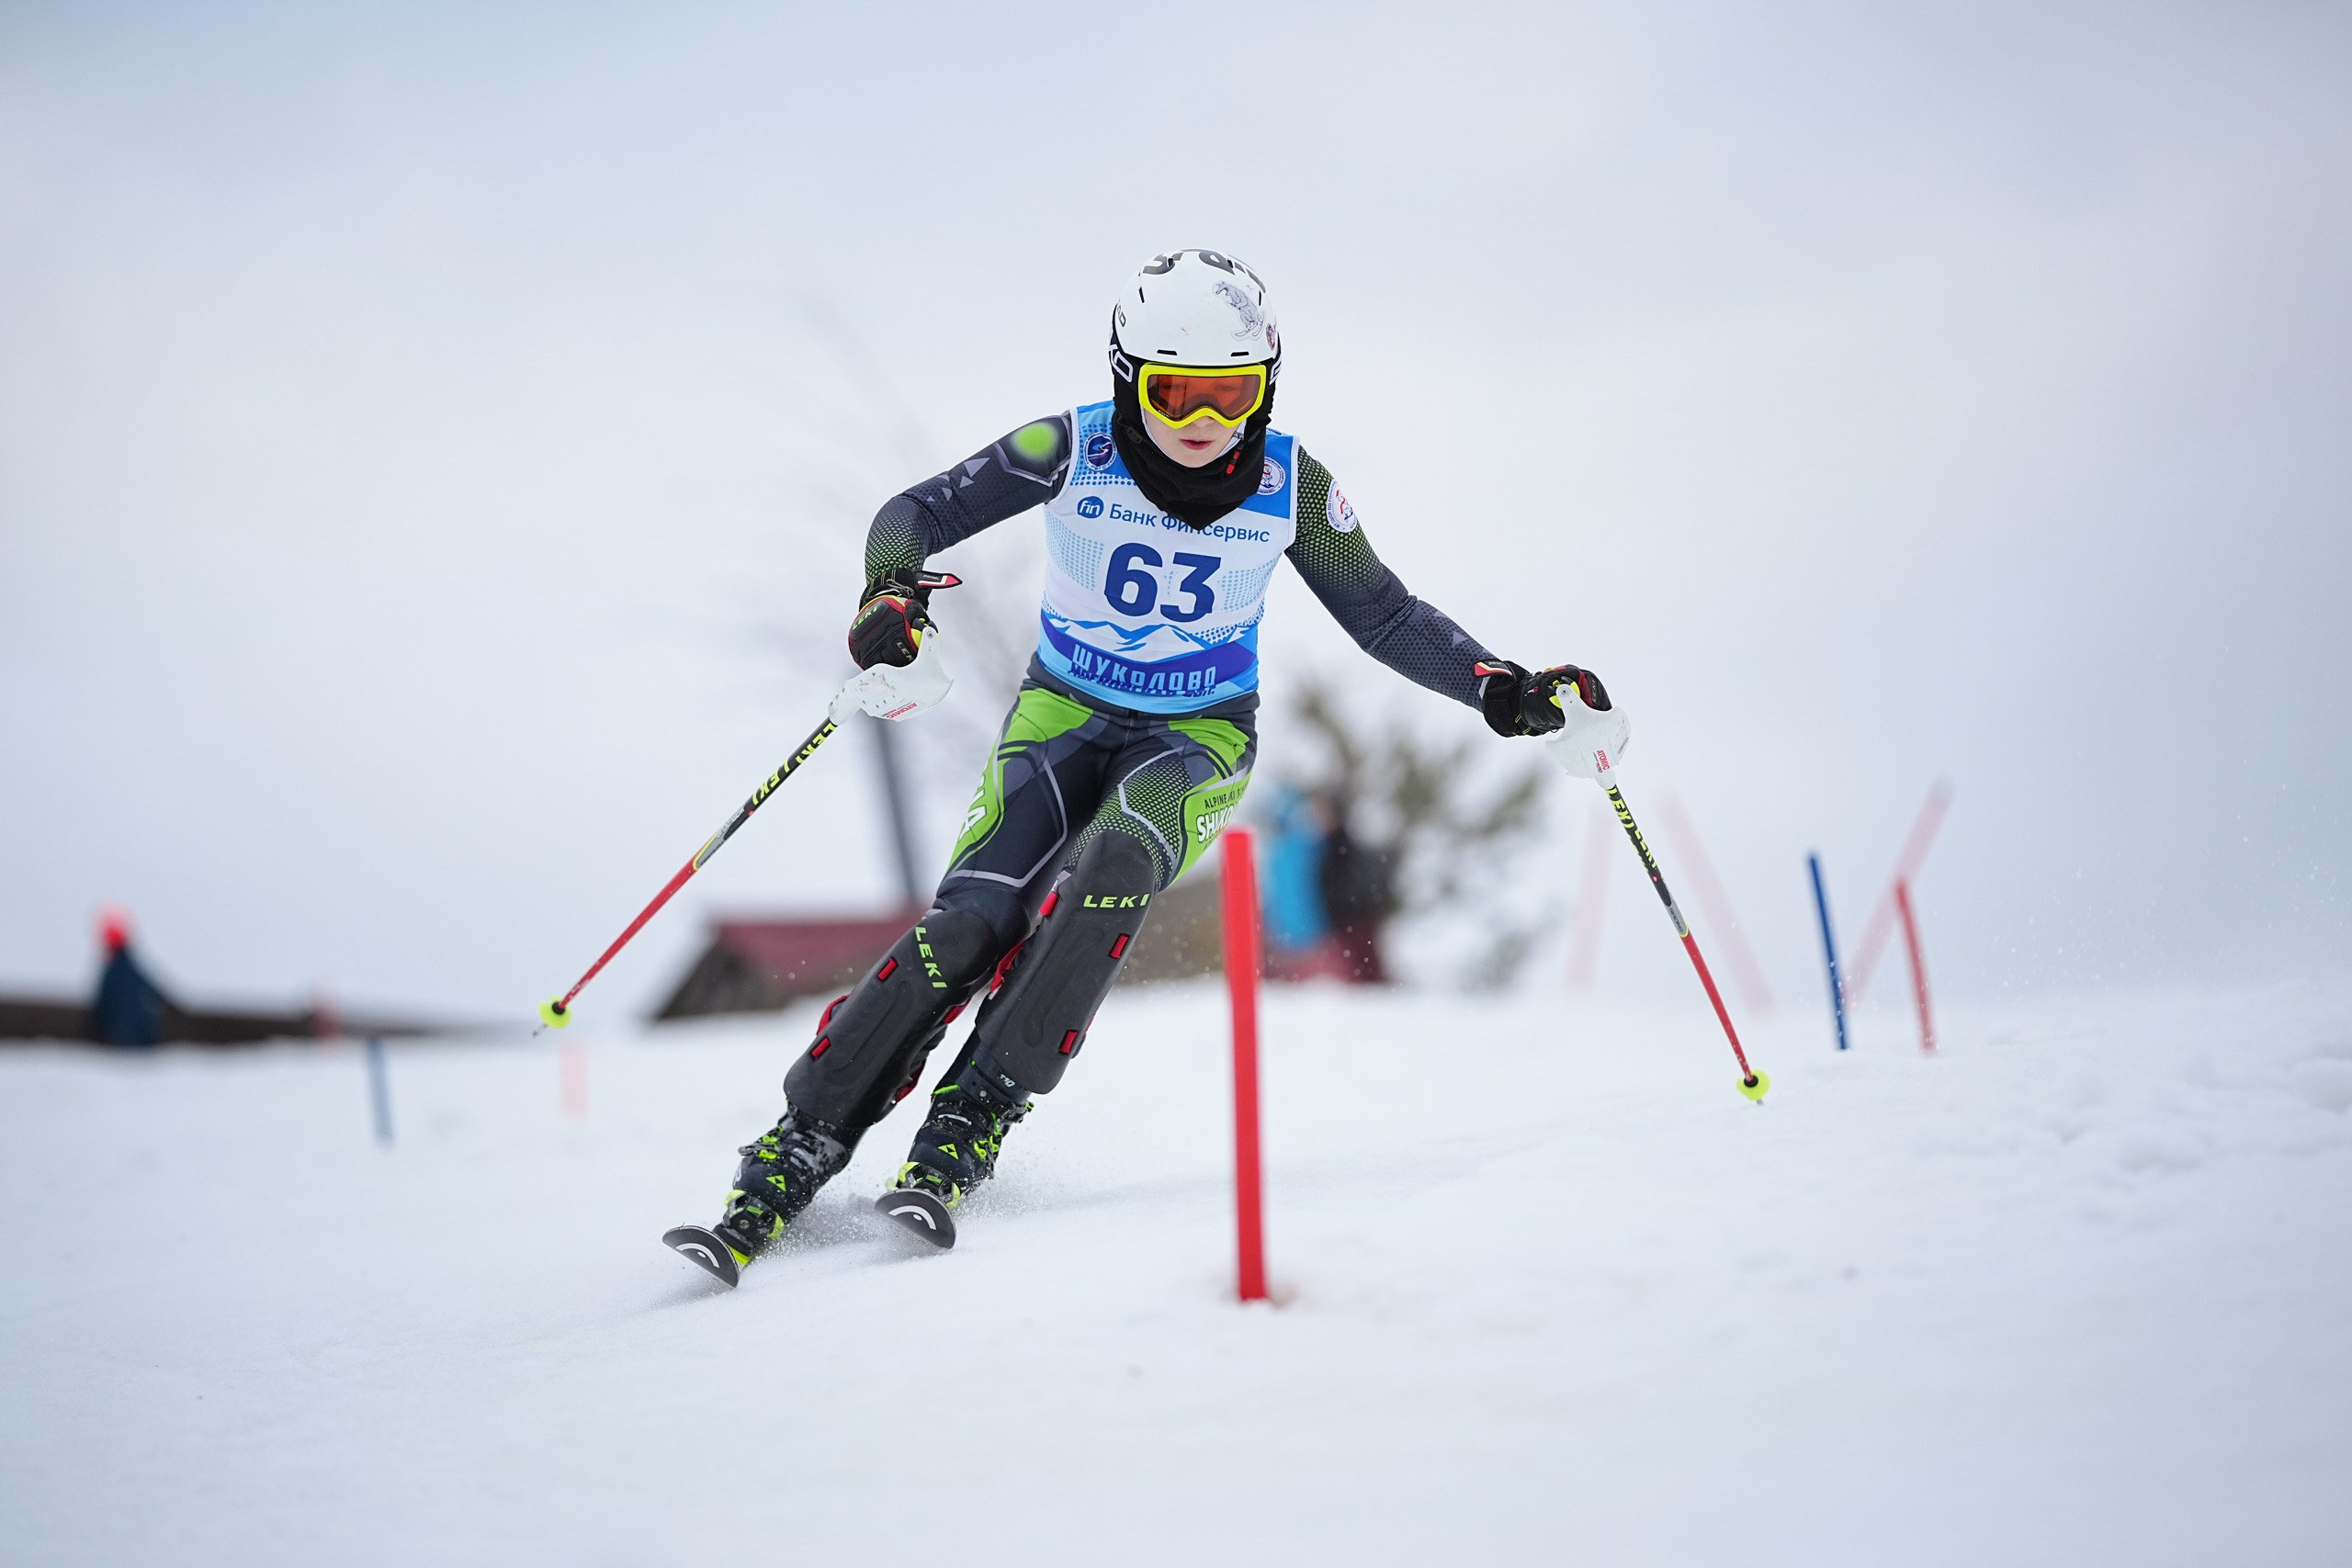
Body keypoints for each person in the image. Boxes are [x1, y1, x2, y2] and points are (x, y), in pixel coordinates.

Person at [670, 249, 1617, 1282]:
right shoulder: (1070, 445)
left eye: (1232, 390)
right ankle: (795, 1147)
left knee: (1116, 867)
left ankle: (972, 1117)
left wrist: (1500, 686)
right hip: (1061, 715)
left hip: (1195, 735)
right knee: (969, 926)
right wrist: (891, 592)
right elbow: (915, 512)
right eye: (1175, 390)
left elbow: (1382, 612)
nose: (1204, 416)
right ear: (1130, 378)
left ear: (1266, 384)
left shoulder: (1291, 482)